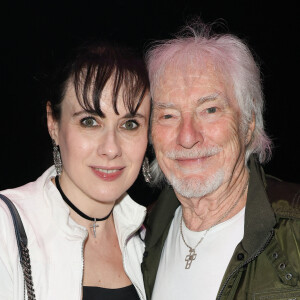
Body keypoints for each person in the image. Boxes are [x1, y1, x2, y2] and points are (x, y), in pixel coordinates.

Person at [141, 20, 300, 299]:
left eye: (210, 109)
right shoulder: (135, 236)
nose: (187, 137)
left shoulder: (294, 229)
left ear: (248, 123)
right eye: (168, 115)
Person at [0, 42, 151, 299]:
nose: (111, 148)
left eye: (129, 124)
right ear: (53, 124)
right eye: (90, 121)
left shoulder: (147, 240)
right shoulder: (6, 227)